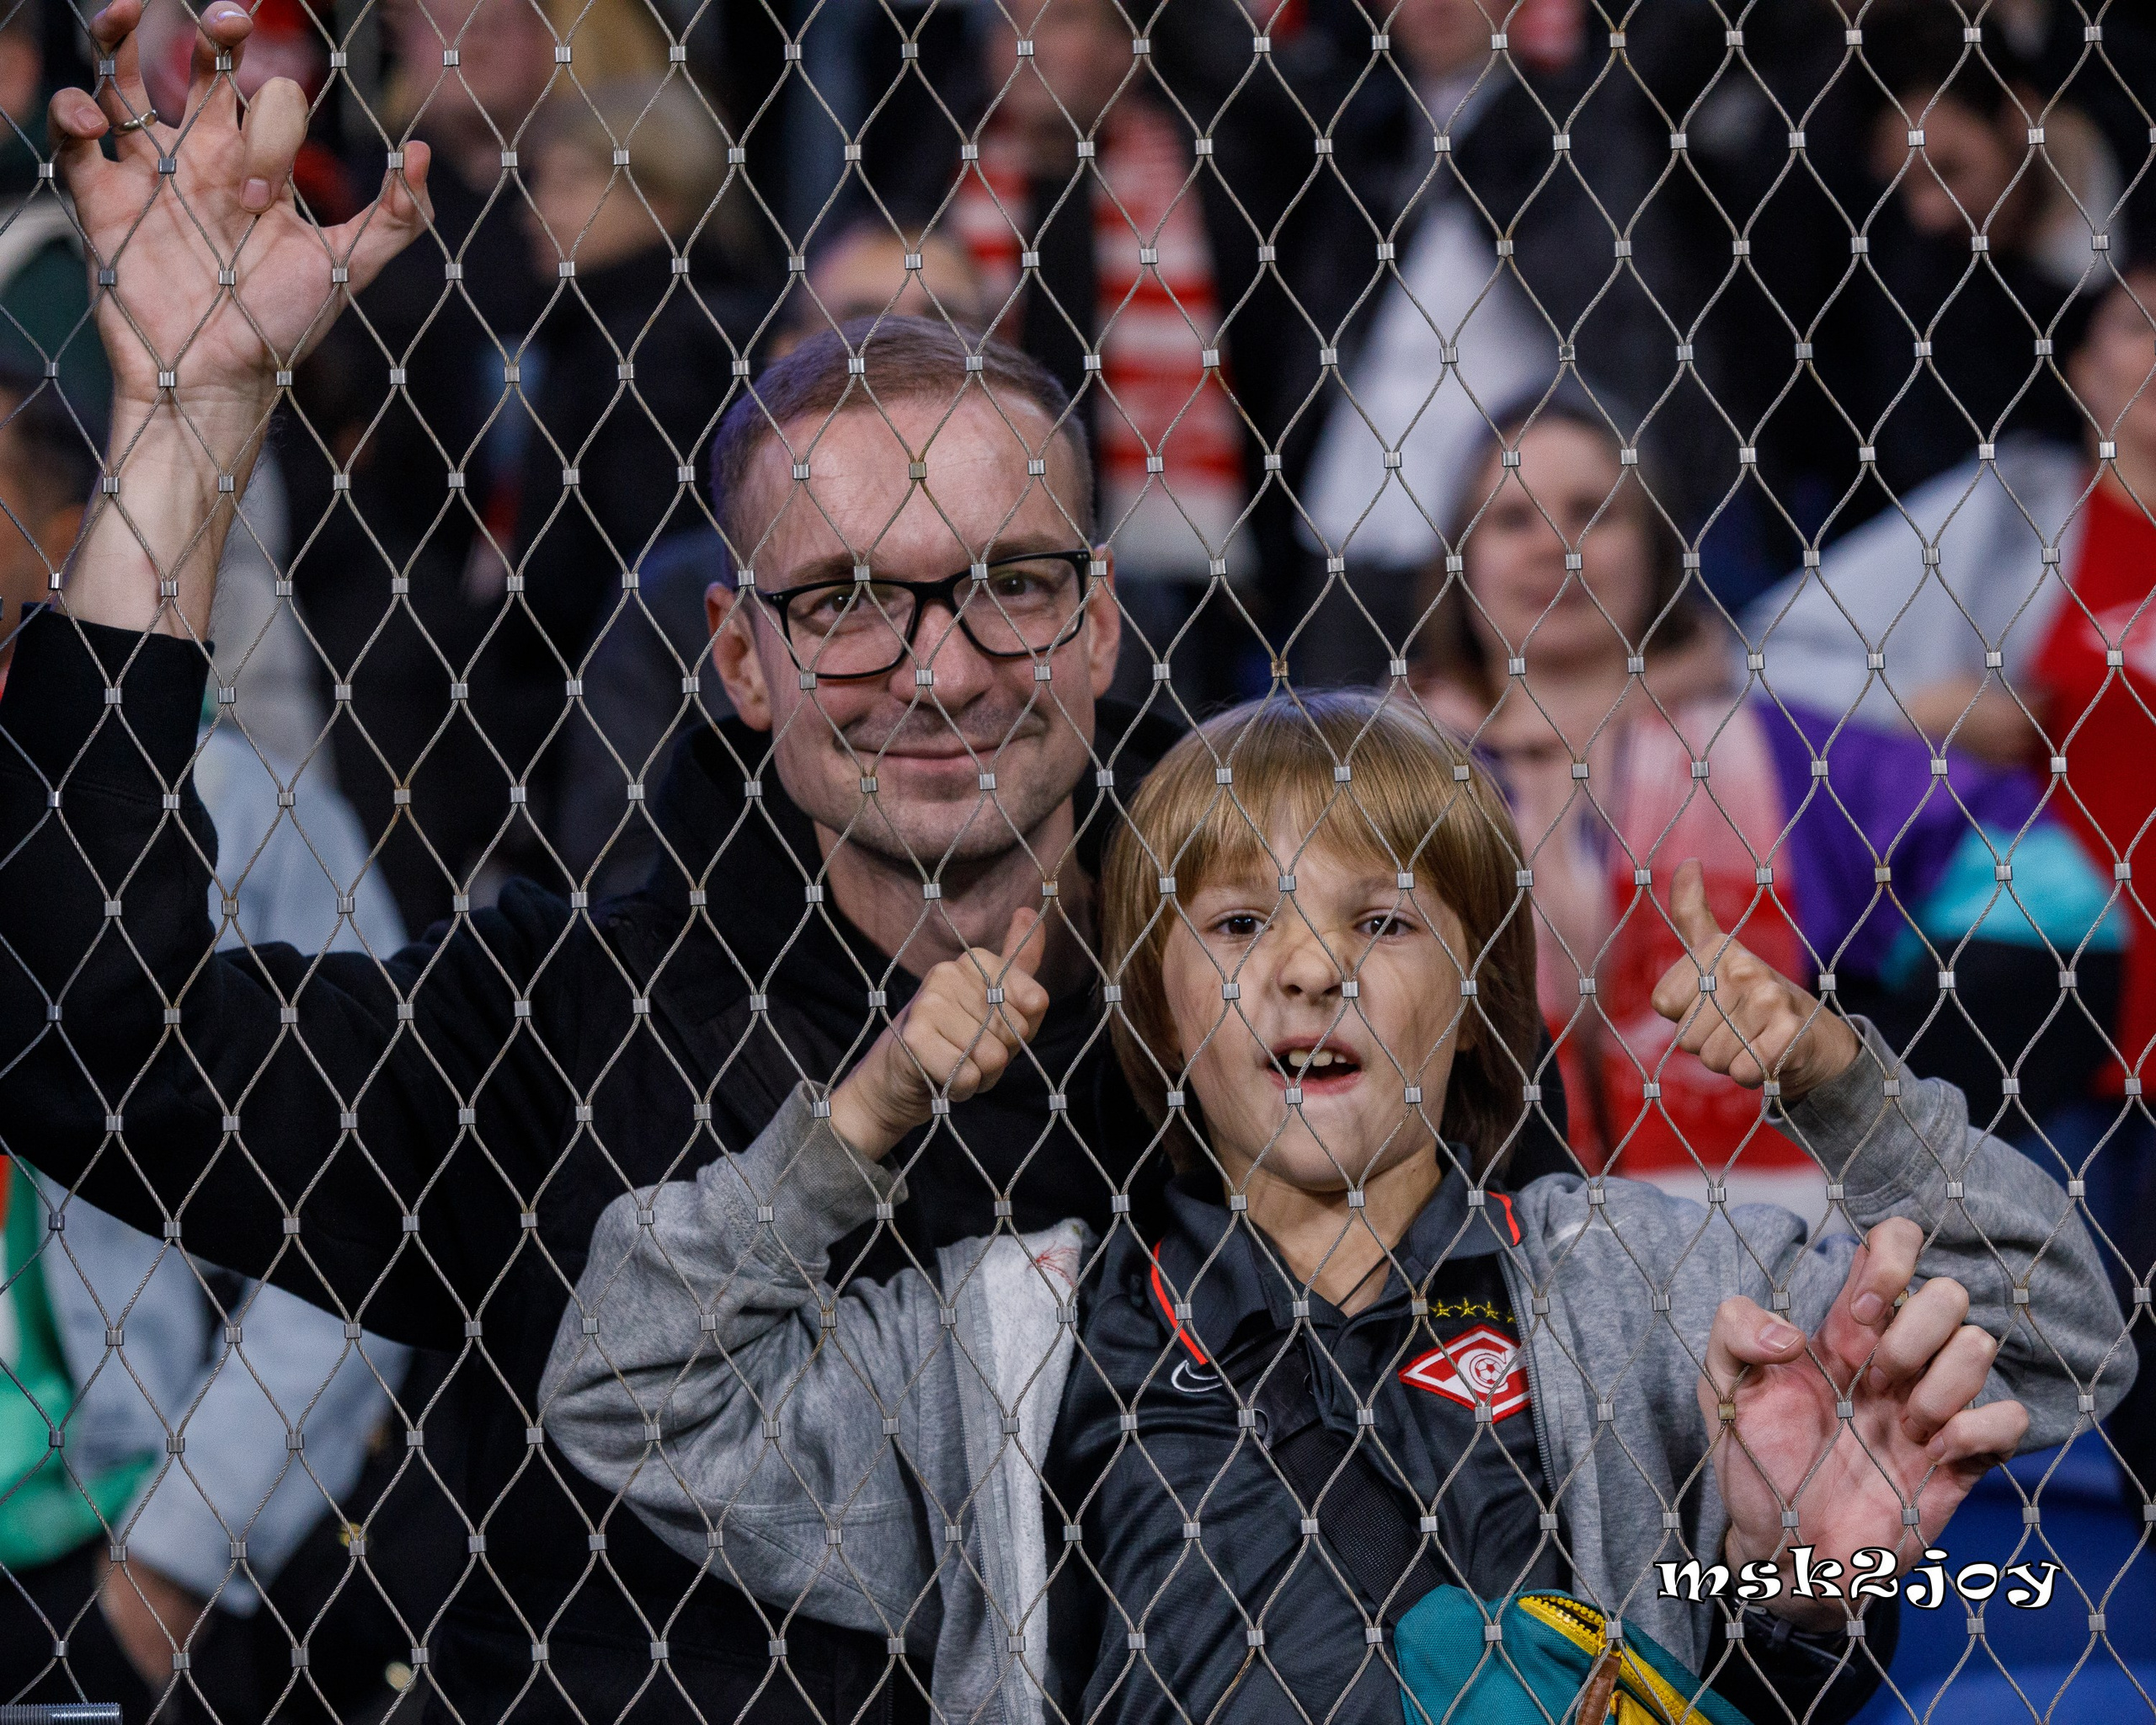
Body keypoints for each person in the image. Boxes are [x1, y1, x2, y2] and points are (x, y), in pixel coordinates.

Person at [0, 8, 1182, 1719]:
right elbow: (91, 1037)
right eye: (844, 599)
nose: (937, 668)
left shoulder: (1256, 1000)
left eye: (1006, 583)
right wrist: (191, 415)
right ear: (734, 651)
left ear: (1095, 627)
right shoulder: (557, 1024)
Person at [541, 689, 2129, 1725]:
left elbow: (2063, 1337)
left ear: (1478, 990)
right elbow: (632, 1391)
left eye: (1381, 917)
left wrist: (1841, 1087)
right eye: (1238, 920)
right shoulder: (1004, 1333)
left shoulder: (1656, 1281)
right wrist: (859, 1120)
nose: (1309, 966)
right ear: (1156, 1008)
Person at [1415, 399, 2120, 1210]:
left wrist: (1856, 1097)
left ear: (1653, 547)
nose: (1555, 545)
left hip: (1776, 1272)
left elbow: (2064, 914)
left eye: (1592, 513)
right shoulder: (1383, 770)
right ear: (1457, 561)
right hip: (1464, 1273)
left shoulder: (1791, 753)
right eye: (1511, 519)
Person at [510, 78, 766, 664]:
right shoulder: (601, 331)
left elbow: (646, 570)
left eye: (569, 182)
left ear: (662, 195)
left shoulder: (656, 350)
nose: (534, 212)